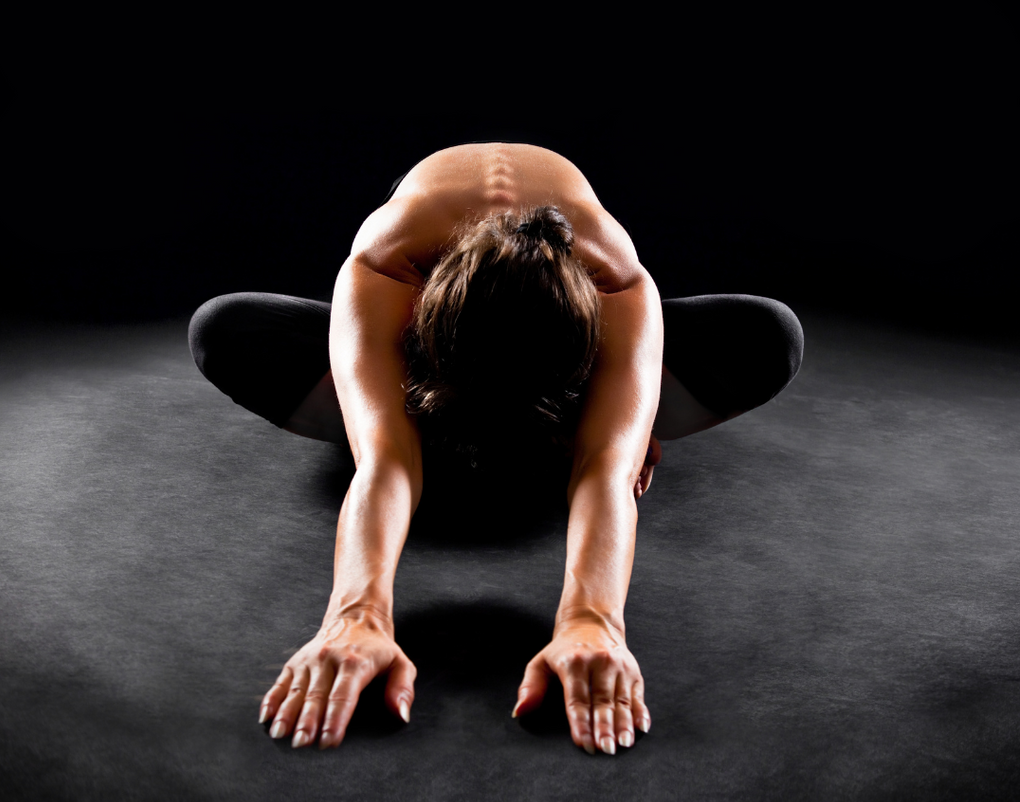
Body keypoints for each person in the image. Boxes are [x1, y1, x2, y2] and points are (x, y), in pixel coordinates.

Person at [188, 142, 803, 756]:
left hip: (555, 362)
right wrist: (356, 614)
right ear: (419, 325)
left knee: (769, 334)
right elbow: (384, 463)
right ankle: (491, 411)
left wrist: (593, 622)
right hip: (446, 358)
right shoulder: (387, 264)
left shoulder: (617, 282)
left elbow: (605, 475)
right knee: (226, 329)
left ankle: (558, 412)